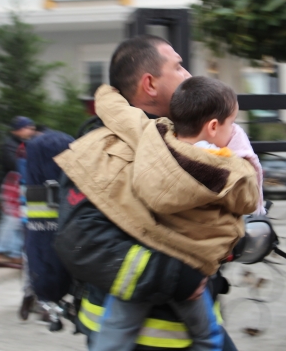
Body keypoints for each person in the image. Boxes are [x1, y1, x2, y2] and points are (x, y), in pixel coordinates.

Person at [53, 35, 245, 351]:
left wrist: (230, 240)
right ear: (150, 85)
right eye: (179, 67)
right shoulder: (100, 152)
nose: (189, 75)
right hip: (134, 340)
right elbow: (82, 243)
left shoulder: (190, 145)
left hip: (195, 333)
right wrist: (176, 275)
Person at [19, 127, 75, 327]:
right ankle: (35, 299)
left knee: (33, 258)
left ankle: (36, 299)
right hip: (49, 225)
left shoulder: (32, 159)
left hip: (36, 225)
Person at [0, 116, 36, 264]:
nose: (31, 131)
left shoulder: (24, 144)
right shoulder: (9, 145)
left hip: (18, 188)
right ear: (19, 130)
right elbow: (15, 165)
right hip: (9, 189)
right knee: (9, 220)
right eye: (28, 127)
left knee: (20, 221)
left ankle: (15, 254)